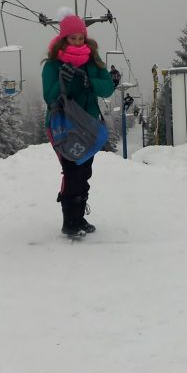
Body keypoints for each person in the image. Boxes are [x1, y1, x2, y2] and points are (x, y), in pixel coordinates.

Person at [42, 13, 115, 237]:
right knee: (72, 171)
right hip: (62, 126)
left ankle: (79, 216)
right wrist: (62, 81)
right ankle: (70, 222)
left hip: (88, 126)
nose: (76, 42)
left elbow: (108, 89)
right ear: (63, 39)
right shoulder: (52, 65)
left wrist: (89, 82)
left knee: (84, 171)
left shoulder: (93, 61)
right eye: (72, 38)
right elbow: (49, 98)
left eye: (80, 38)